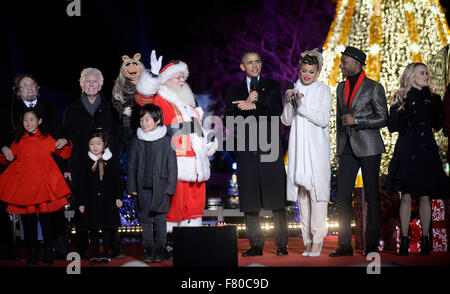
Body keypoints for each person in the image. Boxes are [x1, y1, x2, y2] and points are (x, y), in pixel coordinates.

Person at [136, 53, 217, 257]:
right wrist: (152, 76)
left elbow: (196, 129)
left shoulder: (188, 102)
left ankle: (191, 242)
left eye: (183, 76)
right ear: (165, 80)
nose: (182, 80)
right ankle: (170, 243)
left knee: (195, 206)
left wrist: (209, 139)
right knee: (174, 206)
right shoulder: (160, 98)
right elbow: (141, 98)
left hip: (197, 162)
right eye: (177, 77)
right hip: (175, 162)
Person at [225, 51, 288, 256]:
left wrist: (254, 105)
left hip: (270, 147)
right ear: (243, 66)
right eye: (250, 62)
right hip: (246, 149)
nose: (254, 65)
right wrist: (244, 103)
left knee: (277, 198)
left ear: (261, 64)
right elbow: (228, 118)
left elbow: (276, 110)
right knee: (250, 197)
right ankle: (256, 245)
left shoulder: (272, 86)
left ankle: (282, 244)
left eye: (257, 61)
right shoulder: (234, 90)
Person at [1, 74, 69, 260]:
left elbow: (61, 138)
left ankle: (56, 249)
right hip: (23, 176)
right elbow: (7, 143)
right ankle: (28, 251)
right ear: (17, 91)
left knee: (53, 215)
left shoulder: (50, 108)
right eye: (24, 85)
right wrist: (4, 149)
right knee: (28, 217)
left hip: (49, 173)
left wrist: (65, 165)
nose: (29, 88)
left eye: (32, 85)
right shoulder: (11, 111)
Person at [330, 46, 388, 257]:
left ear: (356, 64)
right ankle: (344, 245)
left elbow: (384, 118)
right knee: (343, 196)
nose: (341, 64)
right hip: (346, 148)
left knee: (371, 196)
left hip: (370, 147)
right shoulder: (339, 88)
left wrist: (359, 121)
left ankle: (372, 244)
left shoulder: (374, 87)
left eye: (344, 61)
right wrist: (338, 149)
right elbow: (339, 120)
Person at [385, 62, 448, 256]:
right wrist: (404, 105)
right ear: (412, 75)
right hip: (407, 150)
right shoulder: (401, 98)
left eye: (427, 73)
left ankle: (425, 240)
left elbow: (438, 125)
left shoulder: (433, 99)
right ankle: (404, 240)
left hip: (426, 151)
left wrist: (437, 105)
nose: (427, 75)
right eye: (422, 73)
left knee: (425, 196)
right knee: (405, 195)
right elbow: (393, 126)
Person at [63, 67, 124, 259]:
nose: (91, 84)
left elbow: (118, 135)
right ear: (81, 85)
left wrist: (110, 158)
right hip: (81, 166)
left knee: (109, 208)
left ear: (101, 84)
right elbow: (66, 138)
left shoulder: (110, 108)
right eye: (87, 81)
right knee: (82, 206)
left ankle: (114, 248)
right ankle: (81, 248)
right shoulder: (72, 109)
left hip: (106, 164)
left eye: (94, 81)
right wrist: (67, 167)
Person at [281, 49, 332, 257]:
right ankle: (307, 240)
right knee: (302, 196)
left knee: (317, 195)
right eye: (304, 71)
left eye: (311, 71)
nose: (307, 75)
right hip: (298, 152)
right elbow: (285, 120)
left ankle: (317, 240)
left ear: (318, 72)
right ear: (299, 71)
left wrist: (300, 106)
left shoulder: (324, 91)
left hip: (316, 152)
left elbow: (322, 119)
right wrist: (290, 103)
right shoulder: (294, 89)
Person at [127, 104, 177, 263]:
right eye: (141, 119)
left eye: (147, 119)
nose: (144, 122)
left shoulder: (167, 140)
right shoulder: (138, 140)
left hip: (161, 188)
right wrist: (132, 187)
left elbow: (172, 166)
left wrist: (170, 187)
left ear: (158, 120)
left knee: (161, 220)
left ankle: (160, 251)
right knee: (146, 220)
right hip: (143, 188)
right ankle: (148, 251)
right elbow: (132, 164)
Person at [78, 128, 123, 264]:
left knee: (107, 228)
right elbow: (82, 184)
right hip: (91, 201)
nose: (95, 147)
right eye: (92, 144)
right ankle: (95, 253)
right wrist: (81, 202)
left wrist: (118, 197)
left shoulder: (111, 159)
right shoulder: (86, 161)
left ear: (104, 144)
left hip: (108, 200)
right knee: (93, 229)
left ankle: (105, 253)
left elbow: (117, 180)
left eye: (98, 143)